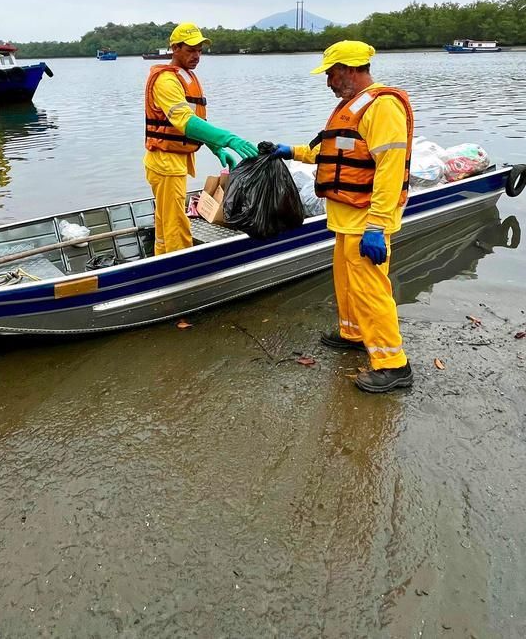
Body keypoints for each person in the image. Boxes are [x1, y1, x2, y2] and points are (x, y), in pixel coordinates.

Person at [269, 40, 414, 394]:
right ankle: (353, 333)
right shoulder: (351, 107)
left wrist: (378, 226)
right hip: (346, 219)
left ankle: (393, 365)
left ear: (349, 70)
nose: (328, 82)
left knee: (370, 290)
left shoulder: (383, 107)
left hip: (367, 220)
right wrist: (289, 151)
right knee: (346, 283)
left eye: (332, 74)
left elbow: (389, 170)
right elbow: (329, 152)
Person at [144, 22, 258, 255]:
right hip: (165, 162)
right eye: (190, 50)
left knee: (167, 221)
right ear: (175, 48)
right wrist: (228, 138)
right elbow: (185, 122)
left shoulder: (186, 77)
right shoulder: (166, 81)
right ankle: (177, 270)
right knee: (175, 225)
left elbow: (197, 123)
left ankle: (163, 258)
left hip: (175, 160)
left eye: (200, 50)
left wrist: (215, 146)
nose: (197, 56)